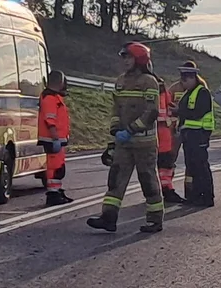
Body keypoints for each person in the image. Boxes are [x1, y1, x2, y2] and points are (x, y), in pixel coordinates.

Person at [87, 42, 165, 234]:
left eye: (128, 57)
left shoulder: (149, 82)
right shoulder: (120, 81)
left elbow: (151, 112)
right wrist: (115, 131)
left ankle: (155, 220)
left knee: (148, 180)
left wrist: (131, 130)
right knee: (115, 179)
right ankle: (108, 218)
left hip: (144, 143)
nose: (125, 61)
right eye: (123, 58)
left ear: (139, 59)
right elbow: (116, 108)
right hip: (123, 143)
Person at [176, 62, 215, 207]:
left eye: (185, 80)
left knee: (201, 166)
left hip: (199, 134)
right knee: (191, 166)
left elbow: (198, 113)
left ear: (193, 78)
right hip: (189, 135)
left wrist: (178, 112)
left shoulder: (202, 92)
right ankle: (194, 196)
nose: (183, 84)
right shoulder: (189, 93)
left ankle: (207, 197)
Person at [39, 70, 74, 206]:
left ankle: (57, 191)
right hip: (52, 139)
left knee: (59, 167)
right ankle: (53, 194)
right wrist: (55, 138)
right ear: (60, 83)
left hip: (57, 138)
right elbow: (50, 120)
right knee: (54, 168)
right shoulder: (49, 98)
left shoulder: (54, 97)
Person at [155, 73, 185, 204]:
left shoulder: (165, 94)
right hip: (162, 136)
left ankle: (164, 190)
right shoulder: (168, 92)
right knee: (164, 166)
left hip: (162, 135)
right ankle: (165, 190)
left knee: (165, 165)